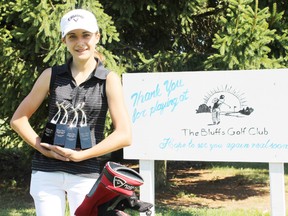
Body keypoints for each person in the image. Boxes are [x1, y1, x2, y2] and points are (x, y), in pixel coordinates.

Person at [10, 9, 132, 216]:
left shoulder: (108, 79)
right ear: (63, 40)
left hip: (86, 172)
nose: (80, 42)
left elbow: (124, 135)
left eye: (86, 35)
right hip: (46, 171)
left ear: (97, 37)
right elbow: (18, 120)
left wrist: (81, 155)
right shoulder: (51, 75)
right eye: (72, 36)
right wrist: (43, 148)